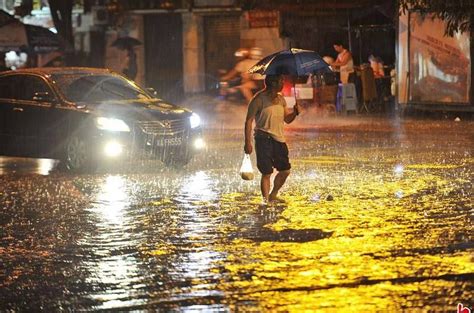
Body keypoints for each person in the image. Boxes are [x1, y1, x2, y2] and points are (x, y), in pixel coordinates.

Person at [244, 75, 301, 203]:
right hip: (263, 139)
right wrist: (247, 142)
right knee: (266, 172)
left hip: (279, 139)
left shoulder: (281, 99)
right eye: (281, 80)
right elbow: (249, 121)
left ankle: (273, 194)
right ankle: (265, 201)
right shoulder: (259, 99)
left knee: (285, 171)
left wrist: (295, 113)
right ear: (272, 82)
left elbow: (287, 119)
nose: (283, 82)